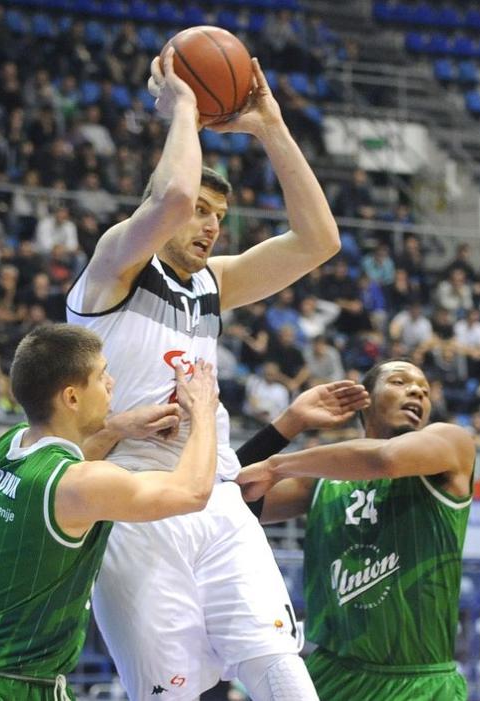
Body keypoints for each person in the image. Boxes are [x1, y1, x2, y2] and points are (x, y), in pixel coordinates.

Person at [66, 49, 339, 700]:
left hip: (216, 497)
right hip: (134, 503)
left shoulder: (214, 282)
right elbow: (173, 195)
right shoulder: (112, 269)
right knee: (171, 693)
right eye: (202, 211)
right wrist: (185, 106)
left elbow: (318, 241)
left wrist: (271, 126)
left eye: (220, 215)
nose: (211, 224)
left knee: (283, 673)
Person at [0, 324, 220, 700]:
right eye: (102, 376)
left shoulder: (10, 446)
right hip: (14, 686)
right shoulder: (74, 484)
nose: (112, 384)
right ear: (71, 397)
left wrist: (115, 429)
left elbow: (72, 468)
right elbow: (192, 491)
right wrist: (203, 410)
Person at [237, 359, 476, 700]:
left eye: (424, 391)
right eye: (399, 382)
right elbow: (227, 499)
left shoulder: (452, 442)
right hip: (333, 674)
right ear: (366, 399)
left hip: (420, 682)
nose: (417, 392)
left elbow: (388, 459)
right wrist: (290, 424)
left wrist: (278, 465)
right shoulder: (319, 479)